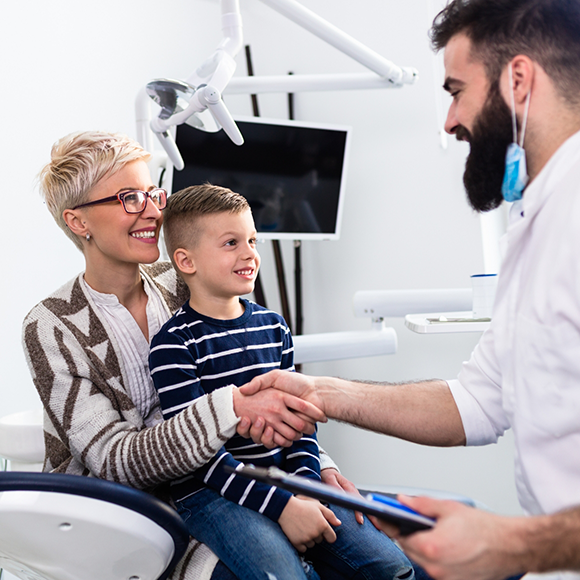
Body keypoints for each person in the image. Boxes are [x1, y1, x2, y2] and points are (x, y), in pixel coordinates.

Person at [239, 1, 580, 579]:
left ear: (518, 80)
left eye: (455, 90)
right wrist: (321, 391)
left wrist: (519, 545)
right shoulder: (538, 219)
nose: (449, 121)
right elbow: (477, 400)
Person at [22, 130, 346, 580]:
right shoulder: (51, 326)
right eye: (129, 198)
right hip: (120, 515)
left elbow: (261, 374)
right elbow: (118, 462)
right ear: (79, 222)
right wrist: (232, 407)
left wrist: (318, 470)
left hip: (225, 482)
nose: (155, 210)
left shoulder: (181, 280)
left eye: (153, 193)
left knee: (365, 550)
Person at [148, 183, 416, 580]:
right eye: (230, 243)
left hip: (287, 478)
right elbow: (201, 457)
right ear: (186, 261)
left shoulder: (273, 326)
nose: (249, 254)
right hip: (213, 494)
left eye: (252, 240)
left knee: (392, 567)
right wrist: (283, 507)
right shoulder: (173, 344)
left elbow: (302, 425)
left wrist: (307, 490)